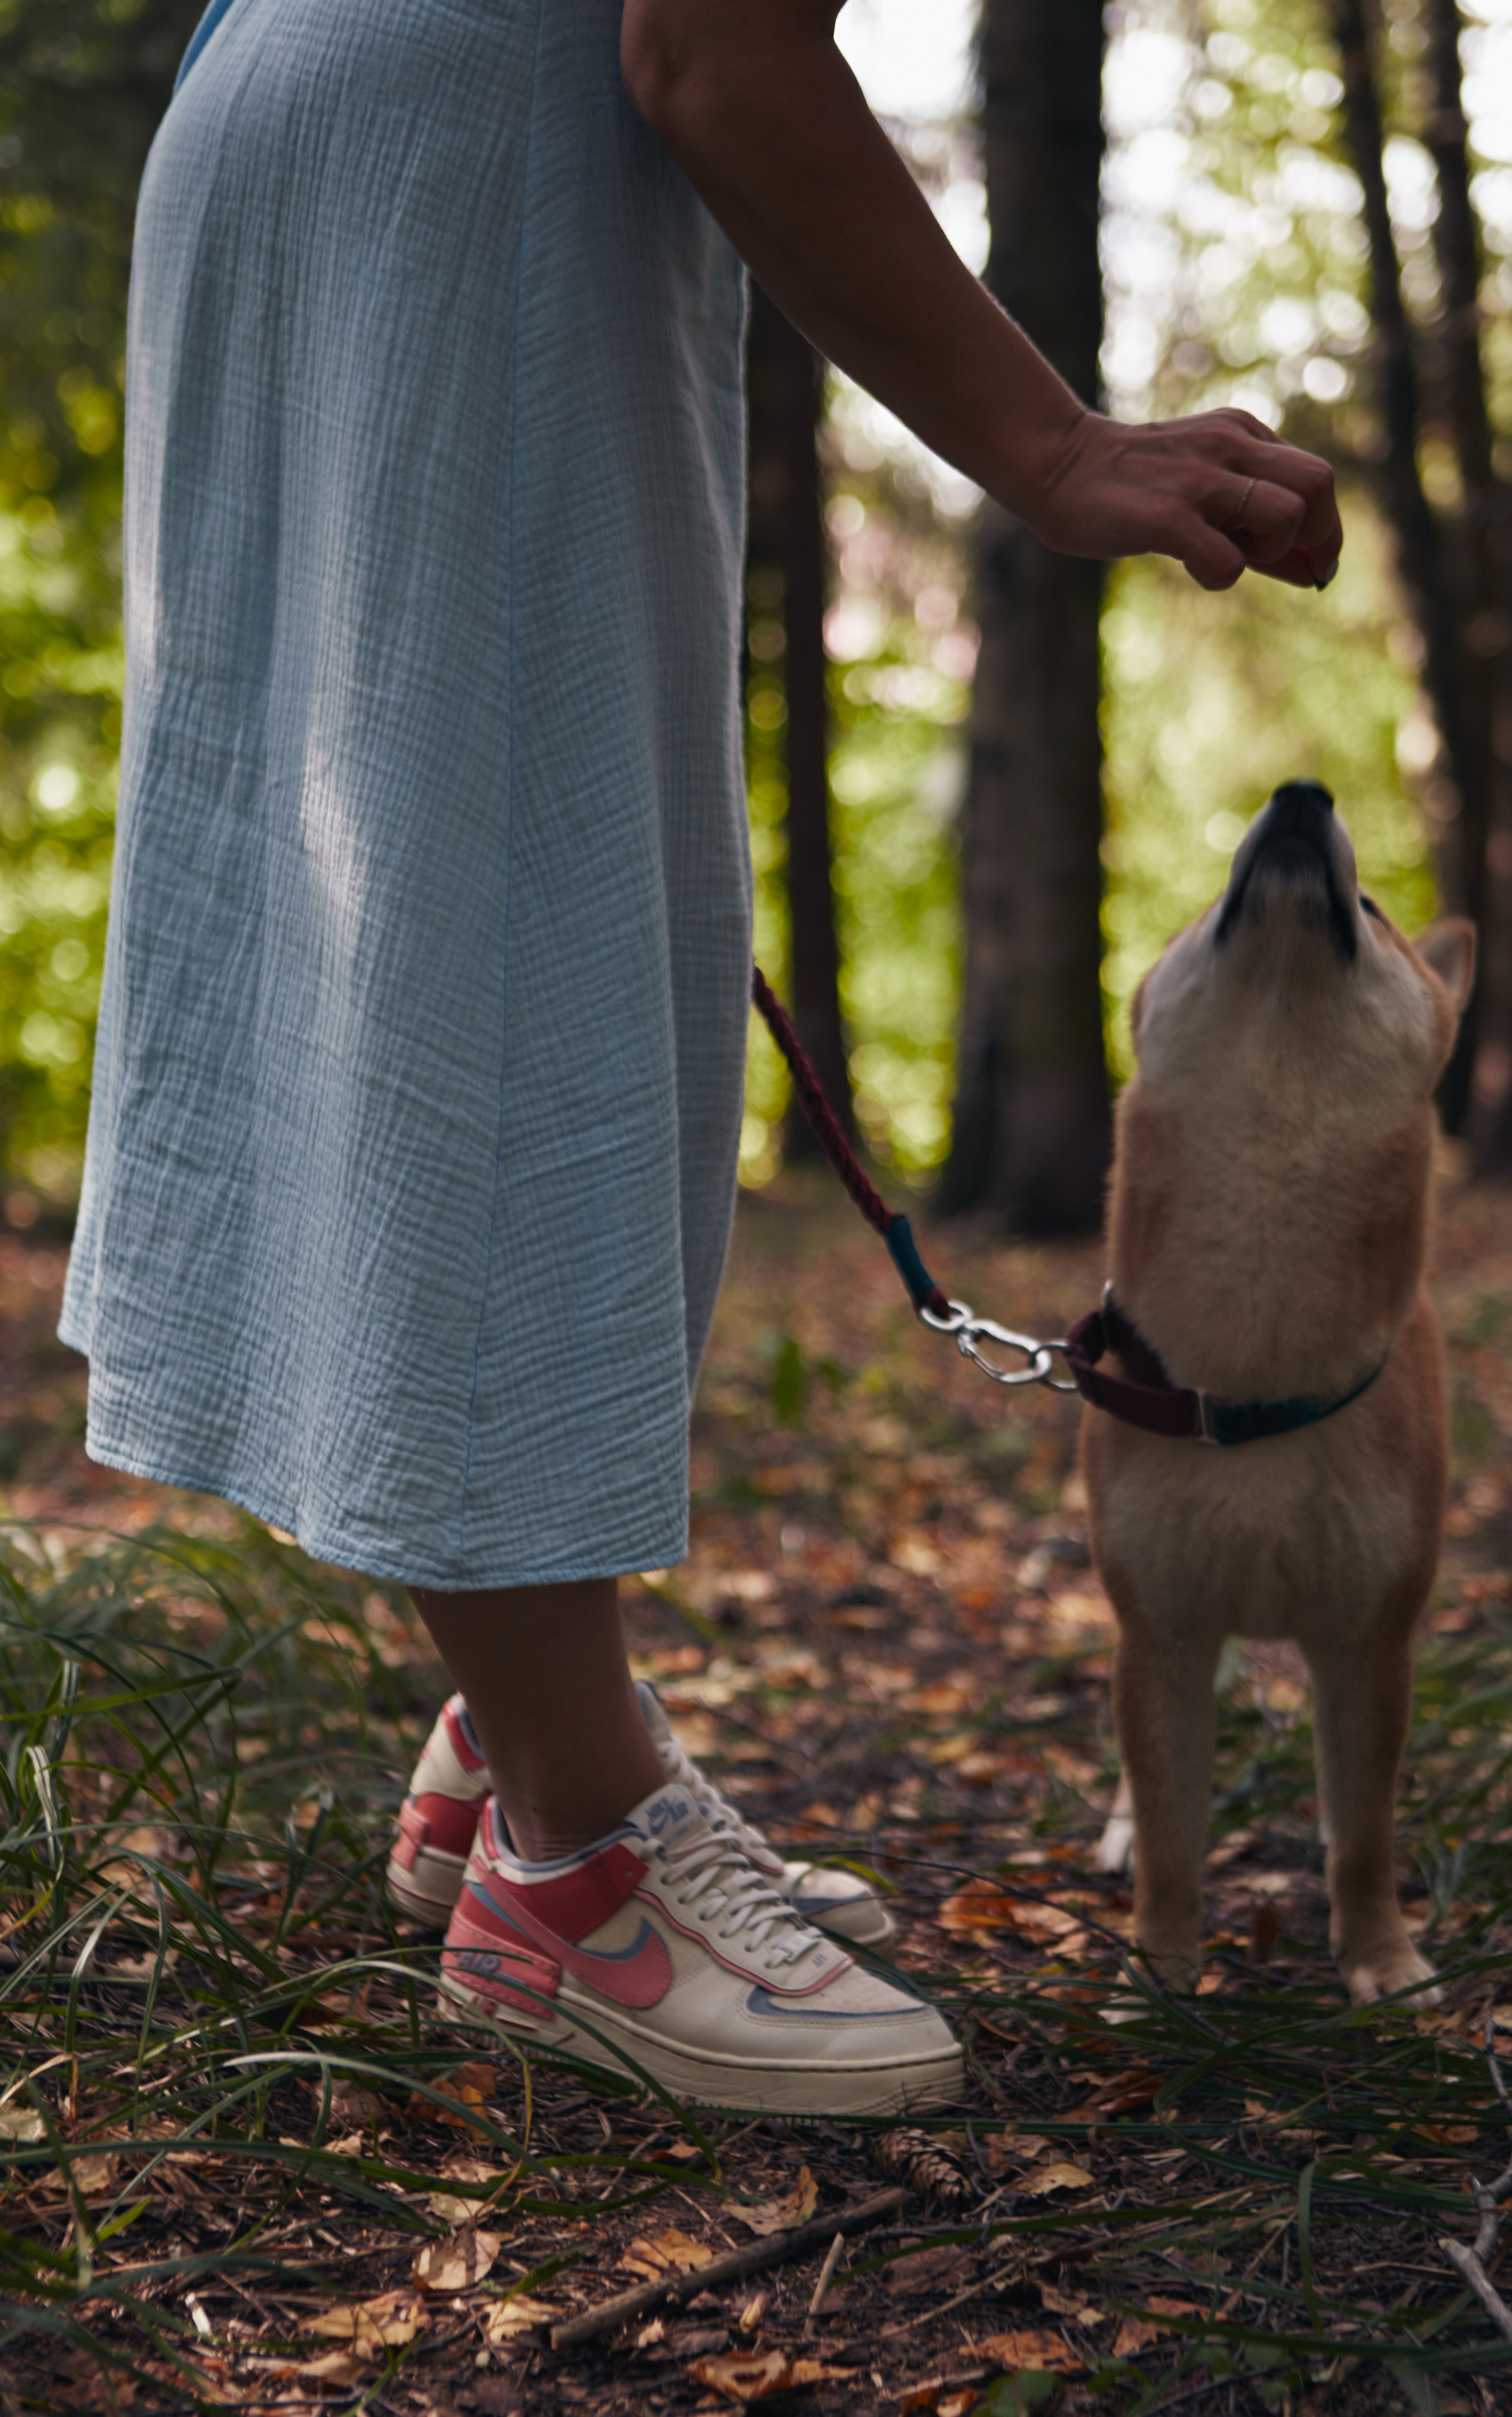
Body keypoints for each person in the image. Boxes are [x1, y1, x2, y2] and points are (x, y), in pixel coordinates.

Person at [61, 0, 1342, 2117]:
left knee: (489, 918)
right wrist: (1050, 446)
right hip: (465, 157)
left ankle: (529, 1735)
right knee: (502, 966)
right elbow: (717, 43)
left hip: (319, 113)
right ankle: (578, 1866)